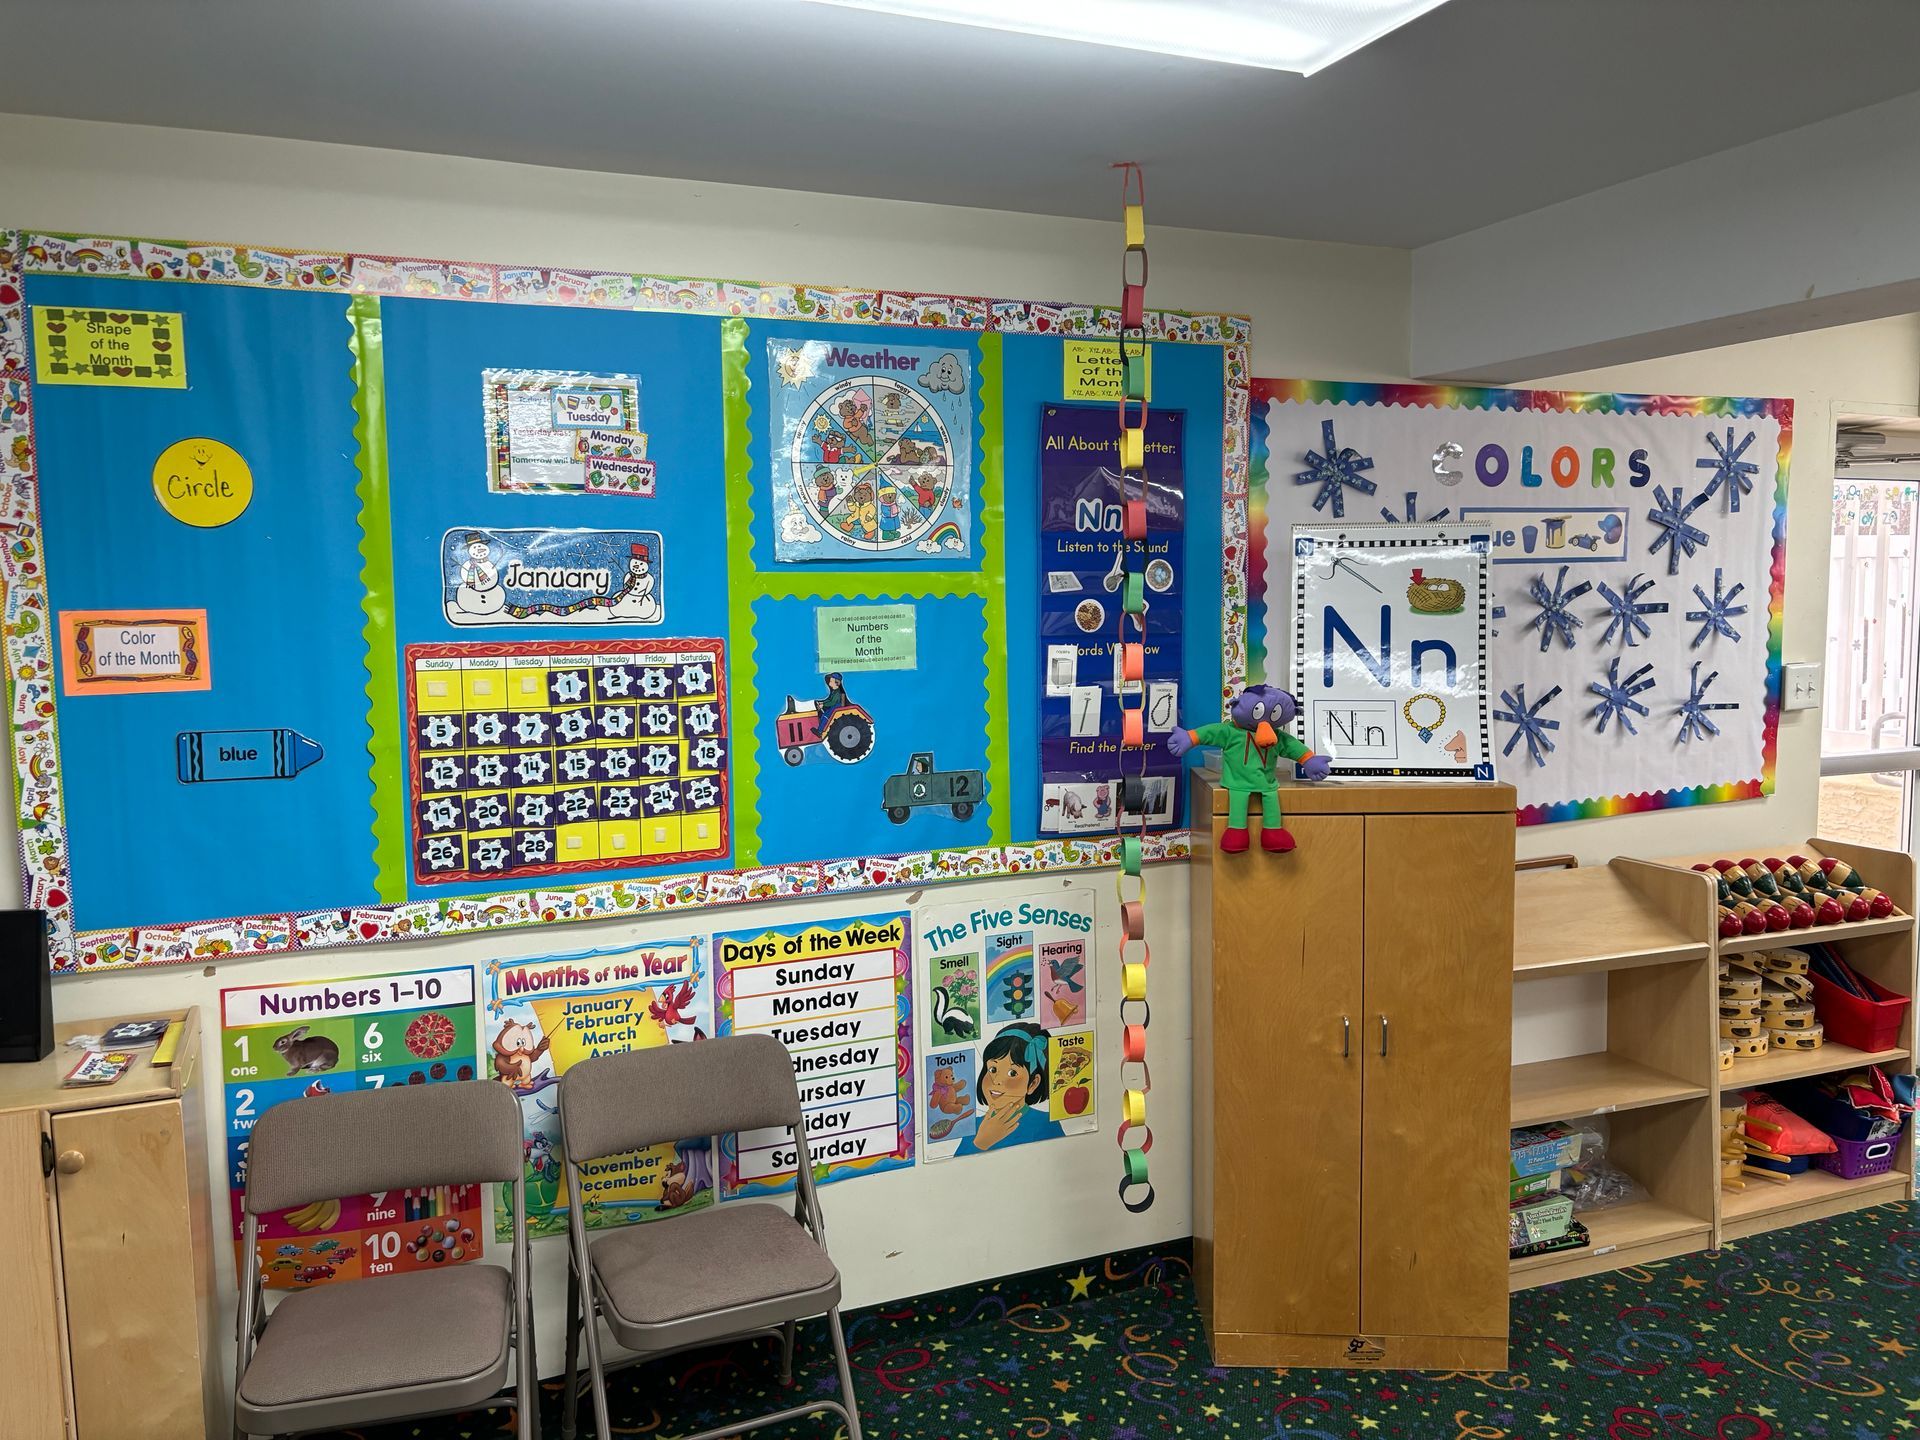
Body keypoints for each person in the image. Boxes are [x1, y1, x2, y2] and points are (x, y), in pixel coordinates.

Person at [955, 1022, 1063, 1154]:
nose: (997, 1080)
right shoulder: (973, 1126)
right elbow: (956, 1171)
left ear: (1033, 1084)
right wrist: (980, 1143)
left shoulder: (1046, 1123)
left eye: (1012, 1073)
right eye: (993, 1069)